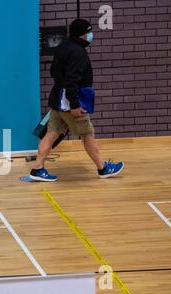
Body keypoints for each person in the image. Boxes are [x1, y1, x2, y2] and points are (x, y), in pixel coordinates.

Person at [29, 18, 124, 182]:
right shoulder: (78, 52)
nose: (91, 35)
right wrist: (74, 104)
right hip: (70, 102)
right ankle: (103, 168)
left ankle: (38, 168)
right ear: (82, 34)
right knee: (88, 134)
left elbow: (53, 72)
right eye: (89, 32)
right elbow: (71, 80)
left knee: (52, 133)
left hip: (57, 99)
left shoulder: (62, 47)